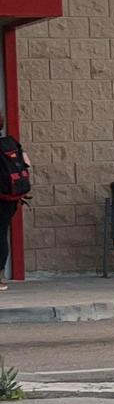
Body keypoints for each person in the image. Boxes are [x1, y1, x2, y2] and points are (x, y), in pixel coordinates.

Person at [0, 112, 30, 292]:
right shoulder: (11, 143)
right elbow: (26, 164)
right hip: (10, 199)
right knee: (1, 234)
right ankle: (1, 277)